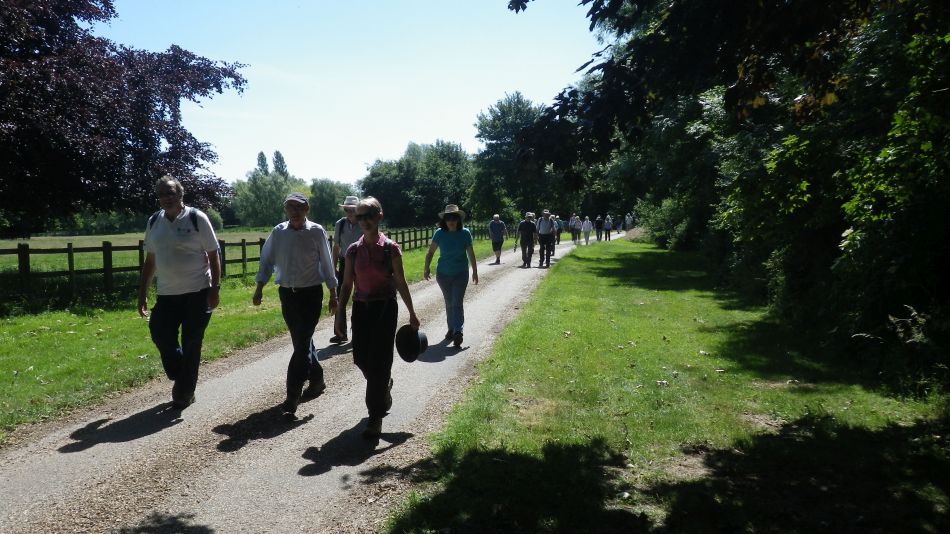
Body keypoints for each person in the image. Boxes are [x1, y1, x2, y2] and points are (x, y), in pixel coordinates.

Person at [337, 197, 420, 438]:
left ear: (379, 216)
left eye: (368, 215)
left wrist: (412, 313)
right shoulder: (353, 250)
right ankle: (383, 386)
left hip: (385, 308)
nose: (364, 221)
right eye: (359, 216)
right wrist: (340, 314)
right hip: (361, 309)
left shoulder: (391, 248)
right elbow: (346, 285)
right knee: (362, 359)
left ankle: (374, 418)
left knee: (380, 363)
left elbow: (401, 282)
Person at [138, 175, 221, 409]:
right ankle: (181, 372)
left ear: (181, 194)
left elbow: (214, 255)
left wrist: (215, 289)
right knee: (159, 333)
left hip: (198, 292)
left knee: (192, 341)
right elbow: (151, 260)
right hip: (167, 294)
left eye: (171, 192)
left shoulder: (197, 218)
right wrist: (142, 292)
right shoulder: (154, 221)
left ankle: (184, 392)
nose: (166, 197)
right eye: (162, 194)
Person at [253, 193, 339, 417]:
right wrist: (259, 287)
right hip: (287, 296)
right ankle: (317, 379)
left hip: (311, 294)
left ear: (307, 208)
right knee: (301, 341)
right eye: (290, 207)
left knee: (301, 344)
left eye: (299, 207)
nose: (295, 211)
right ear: (285, 210)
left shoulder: (316, 231)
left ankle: (292, 395)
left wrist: (333, 293)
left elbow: (327, 263)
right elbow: (267, 260)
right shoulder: (279, 232)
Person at [424, 204, 479, 348]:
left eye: (454, 217)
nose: (451, 220)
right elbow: (430, 252)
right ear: (444, 220)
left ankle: (458, 332)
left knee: (457, 303)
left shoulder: (465, 233)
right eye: (448, 218)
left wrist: (475, 270)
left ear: (458, 219)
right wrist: (426, 268)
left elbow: (471, 253)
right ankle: (451, 329)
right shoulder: (439, 233)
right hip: (443, 274)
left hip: (461, 273)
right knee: (449, 303)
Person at [330, 195, 362, 344]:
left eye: (353, 209)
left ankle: (358, 331)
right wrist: (333, 267)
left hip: (362, 263)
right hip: (344, 263)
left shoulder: (364, 222)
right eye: (347, 209)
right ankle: (340, 333)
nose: (350, 212)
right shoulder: (340, 224)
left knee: (360, 298)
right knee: (340, 297)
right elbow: (336, 247)